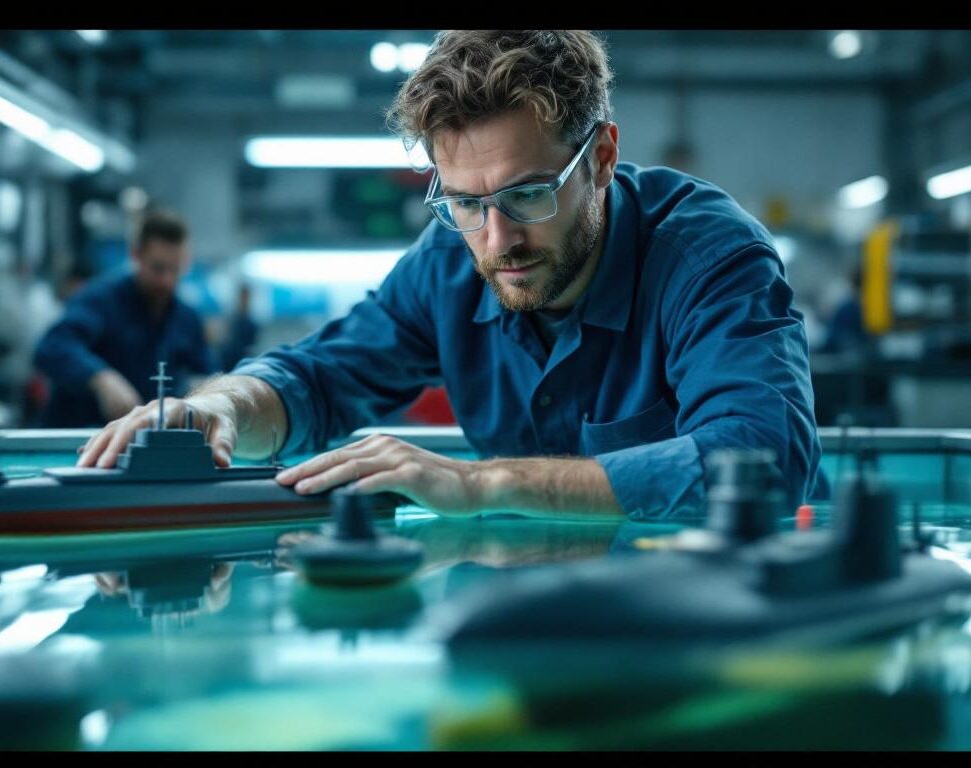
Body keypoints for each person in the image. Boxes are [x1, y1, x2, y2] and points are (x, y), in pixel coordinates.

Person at [78, 30, 822, 521]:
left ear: (599, 159)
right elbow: (322, 376)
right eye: (465, 203)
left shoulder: (707, 258)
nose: (497, 239)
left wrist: (484, 482)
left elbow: (763, 457)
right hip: (534, 615)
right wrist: (229, 406)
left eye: (527, 194)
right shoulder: (449, 261)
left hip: (716, 613)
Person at [34, 209, 216, 427]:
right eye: (158, 268)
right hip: (79, 442)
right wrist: (101, 378)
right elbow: (51, 347)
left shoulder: (187, 319)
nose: (166, 281)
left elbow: (208, 375)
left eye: (175, 270)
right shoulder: (100, 300)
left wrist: (204, 391)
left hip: (146, 446)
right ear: (136, 255)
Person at [219, 283, 261, 371]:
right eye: (243, 297)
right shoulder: (232, 320)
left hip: (244, 364)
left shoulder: (252, 323)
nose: (244, 300)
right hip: (229, 363)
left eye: (246, 297)